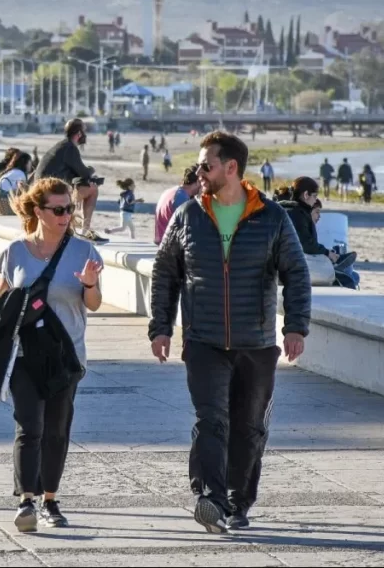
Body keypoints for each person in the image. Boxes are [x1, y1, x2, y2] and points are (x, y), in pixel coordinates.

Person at [148, 132, 311, 534]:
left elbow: (297, 274)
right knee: (211, 420)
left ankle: (239, 501)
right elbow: (165, 272)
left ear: (231, 168)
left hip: (256, 344)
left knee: (249, 426)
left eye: (207, 165)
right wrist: (161, 326)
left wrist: (295, 327)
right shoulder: (188, 215)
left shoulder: (271, 217)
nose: (199, 173)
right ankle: (211, 499)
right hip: (203, 341)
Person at [0, 177, 104, 534]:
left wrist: (88, 284)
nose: (66, 215)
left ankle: (50, 501)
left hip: (66, 357)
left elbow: (94, 305)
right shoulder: (15, 252)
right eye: (58, 210)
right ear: (38, 211)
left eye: (69, 208)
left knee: (57, 430)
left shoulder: (85, 252)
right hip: (23, 354)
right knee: (29, 427)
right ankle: (26, 500)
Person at [30, 119, 106, 242]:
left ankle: (77, 227)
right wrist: (91, 170)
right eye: (84, 131)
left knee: (81, 187)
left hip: (42, 188)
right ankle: (85, 230)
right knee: (93, 189)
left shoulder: (62, 146)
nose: (85, 135)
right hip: (49, 191)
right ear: (79, 133)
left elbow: (72, 174)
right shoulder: (70, 148)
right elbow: (83, 173)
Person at [153, 165, 200, 245]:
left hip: (161, 240)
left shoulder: (170, 191)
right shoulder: (182, 198)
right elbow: (188, 228)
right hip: (170, 245)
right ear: (196, 183)